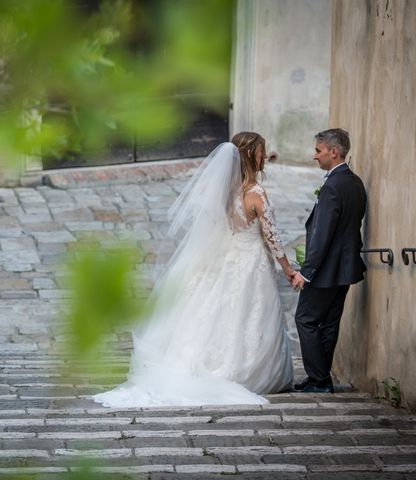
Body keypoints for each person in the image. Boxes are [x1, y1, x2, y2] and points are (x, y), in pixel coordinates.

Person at [93, 132, 295, 407]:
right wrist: (288, 269)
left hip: (225, 258)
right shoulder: (256, 194)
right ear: (252, 155)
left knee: (216, 313)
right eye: (262, 151)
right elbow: (272, 239)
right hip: (251, 263)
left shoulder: (224, 191)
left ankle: (199, 366)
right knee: (247, 315)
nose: (265, 156)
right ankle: (242, 373)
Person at [291, 128, 367, 394]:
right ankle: (319, 379)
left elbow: (322, 234)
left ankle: (319, 379)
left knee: (306, 319)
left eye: (318, 151)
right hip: (345, 269)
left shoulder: (333, 186)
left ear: (334, 152)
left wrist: (306, 272)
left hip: (325, 271)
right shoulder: (355, 181)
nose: (315, 156)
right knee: (329, 322)